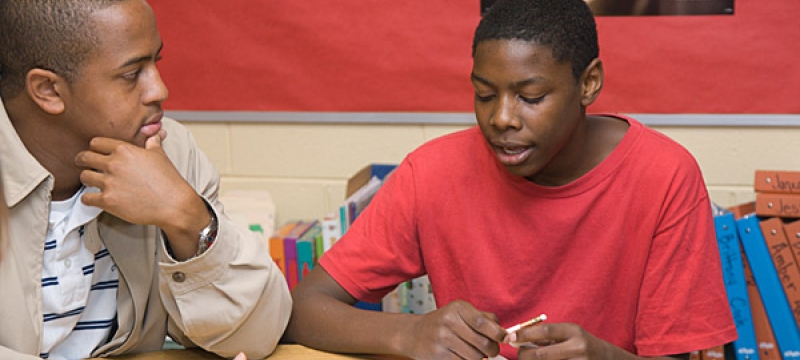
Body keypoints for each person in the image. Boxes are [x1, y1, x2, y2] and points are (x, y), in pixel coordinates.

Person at [285, 0, 736, 359]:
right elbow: (303, 309)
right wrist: (409, 332)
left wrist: (602, 356)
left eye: (531, 96)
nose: (501, 118)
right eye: (484, 94)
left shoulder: (664, 176)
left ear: (589, 83)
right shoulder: (431, 172)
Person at [0, 0, 291, 359]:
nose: (159, 90)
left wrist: (187, 216)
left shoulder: (167, 150)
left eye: (156, 62)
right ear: (48, 91)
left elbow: (256, 336)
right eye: (131, 73)